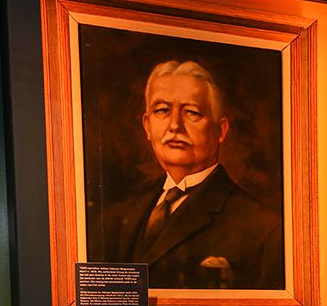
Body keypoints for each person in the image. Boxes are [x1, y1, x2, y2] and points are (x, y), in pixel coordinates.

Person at [97, 60, 284, 290]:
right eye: (162, 110)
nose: (175, 125)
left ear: (220, 130)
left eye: (192, 112)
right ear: (147, 126)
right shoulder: (114, 218)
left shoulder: (264, 229)